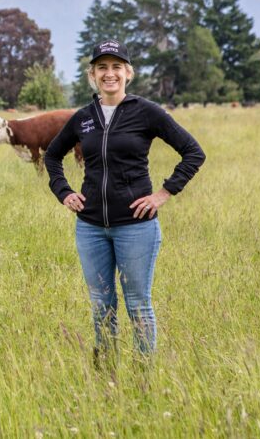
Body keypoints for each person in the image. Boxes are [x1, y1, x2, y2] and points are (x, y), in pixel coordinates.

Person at [44, 39, 205, 362]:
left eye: (116, 67)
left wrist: (163, 194)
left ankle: (144, 376)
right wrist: (64, 192)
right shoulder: (83, 118)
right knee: (101, 305)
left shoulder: (147, 113)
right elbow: (52, 157)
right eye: (102, 67)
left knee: (137, 303)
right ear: (92, 75)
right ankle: (107, 376)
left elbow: (193, 152)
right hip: (90, 228)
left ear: (128, 73)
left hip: (135, 227)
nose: (109, 74)